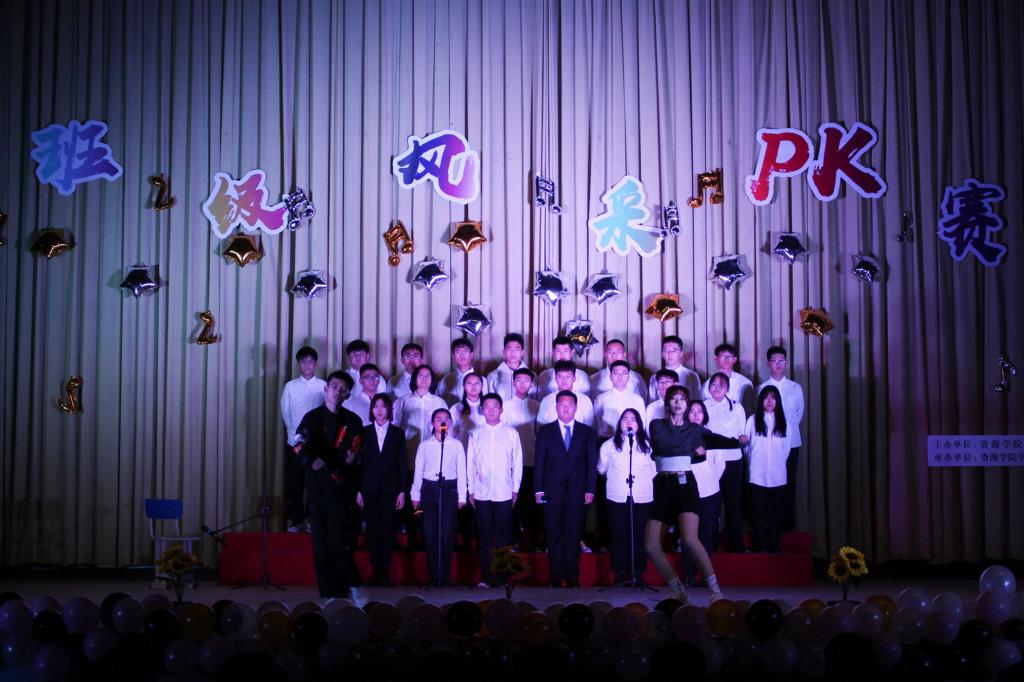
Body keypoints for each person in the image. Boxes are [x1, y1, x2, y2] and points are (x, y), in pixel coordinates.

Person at [646, 386, 742, 604]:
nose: (678, 402)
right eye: (674, 398)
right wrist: (693, 450)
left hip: (685, 484)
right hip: (663, 485)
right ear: (667, 403)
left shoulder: (695, 430)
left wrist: (737, 441)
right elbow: (664, 446)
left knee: (690, 539)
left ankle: (715, 591)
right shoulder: (657, 425)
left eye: (682, 399)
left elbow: (716, 440)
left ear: (687, 404)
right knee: (651, 545)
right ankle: (679, 590)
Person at [294, 371, 368, 606]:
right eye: (335, 386)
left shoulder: (353, 421)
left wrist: (351, 457)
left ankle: (353, 585)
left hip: (341, 488)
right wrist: (310, 459)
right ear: (326, 389)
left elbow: (355, 450)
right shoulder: (312, 418)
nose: (338, 392)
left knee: (338, 540)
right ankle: (330, 594)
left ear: (347, 395)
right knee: (320, 544)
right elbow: (298, 444)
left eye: (343, 389)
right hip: (317, 487)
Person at [534, 391, 598, 588]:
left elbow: (591, 463)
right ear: (556, 407)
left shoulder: (586, 432)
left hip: (577, 491)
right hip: (551, 491)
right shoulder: (546, 431)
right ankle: (555, 577)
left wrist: (590, 489)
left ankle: (572, 577)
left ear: (576, 408)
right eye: (562, 404)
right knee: (553, 535)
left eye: (570, 405)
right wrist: (538, 489)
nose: (566, 408)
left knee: (573, 535)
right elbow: (539, 463)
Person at [468, 393, 523, 587]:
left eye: (495, 407)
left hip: (504, 492)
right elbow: (471, 463)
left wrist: (515, 489)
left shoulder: (511, 433)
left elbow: (517, 463)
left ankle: (502, 578)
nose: (491, 410)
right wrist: (471, 490)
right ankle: (486, 576)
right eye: (487, 407)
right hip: (481, 492)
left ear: (501, 410)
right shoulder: (475, 433)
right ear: (482, 410)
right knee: (484, 537)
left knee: (503, 538)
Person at [597, 408, 657, 583]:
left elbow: (654, 469)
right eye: (625, 419)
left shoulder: (647, 445)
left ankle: (638, 572)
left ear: (639, 424)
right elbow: (601, 468)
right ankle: (620, 572)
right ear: (620, 423)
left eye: (633, 419)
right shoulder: (609, 445)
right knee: (619, 534)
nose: (629, 422)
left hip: (642, 495)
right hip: (617, 495)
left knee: (640, 534)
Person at [410, 409, 467, 587]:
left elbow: (462, 471)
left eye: (446, 419)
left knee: (447, 533)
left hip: (449, 490)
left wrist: (462, 496)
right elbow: (418, 470)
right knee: (430, 533)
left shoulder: (456, 445)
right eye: (438, 419)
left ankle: (445, 575)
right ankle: (433, 575)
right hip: (428, 490)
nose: (442, 421)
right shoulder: (424, 445)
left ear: (450, 423)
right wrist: (415, 495)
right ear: (432, 423)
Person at [392, 365, 447, 550]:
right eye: (420, 375)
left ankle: (425, 535)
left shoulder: (439, 402)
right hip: (408, 459)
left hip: (431, 461)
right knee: (411, 499)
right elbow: (395, 429)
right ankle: (411, 534)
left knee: (427, 500)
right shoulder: (402, 401)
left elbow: (445, 430)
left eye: (428, 375)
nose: (424, 379)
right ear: (414, 379)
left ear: (432, 380)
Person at [356, 394, 408, 586]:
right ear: (371, 410)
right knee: (372, 531)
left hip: (391, 489)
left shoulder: (397, 433)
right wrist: (358, 490)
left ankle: (384, 572)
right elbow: (358, 464)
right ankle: (375, 572)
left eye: (383, 406)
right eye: (375, 406)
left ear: (389, 410)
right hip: (368, 488)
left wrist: (402, 491)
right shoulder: (364, 432)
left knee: (387, 530)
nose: (379, 410)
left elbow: (402, 464)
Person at [756, 346, 805, 531]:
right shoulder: (761, 388)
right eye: (774, 361)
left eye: (781, 361)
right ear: (768, 363)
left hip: (791, 443)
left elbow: (798, 414)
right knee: (767, 482)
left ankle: (788, 523)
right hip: (767, 445)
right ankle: (769, 521)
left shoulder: (795, 388)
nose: (778, 364)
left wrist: (786, 434)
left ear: (786, 363)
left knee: (789, 482)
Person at [280, 346, 326, 533]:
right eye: (303, 362)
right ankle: (296, 520)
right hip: (294, 442)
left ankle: (312, 520)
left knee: (315, 483)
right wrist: (295, 437)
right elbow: (285, 412)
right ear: (298, 364)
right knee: (295, 483)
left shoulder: (323, 385)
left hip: (317, 444)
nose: (307, 365)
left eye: (310, 361)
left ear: (315, 364)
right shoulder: (290, 386)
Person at [704, 372, 749, 552]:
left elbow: (742, 434)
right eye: (713, 384)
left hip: (732, 460)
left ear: (727, 389)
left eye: (721, 385)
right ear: (708, 388)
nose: (716, 388)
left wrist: (742, 441)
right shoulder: (703, 406)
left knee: (733, 503)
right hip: (710, 460)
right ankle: (711, 543)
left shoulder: (737, 407)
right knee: (711, 502)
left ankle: (736, 543)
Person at [744, 386, 791, 552]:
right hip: (757, 474)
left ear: (778, 401)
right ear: (761, 400)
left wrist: (776, 464)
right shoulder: (752, 420)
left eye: (773, 397)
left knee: (776, 512)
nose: (769, 401)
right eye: (766, 397)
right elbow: (747, 447)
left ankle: (774, 544)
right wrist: (755, 464)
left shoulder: (784, 422)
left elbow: (786, 449)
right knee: (759, 512)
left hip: (778, 475)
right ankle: (761, 545)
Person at [501, 368, 541, 549]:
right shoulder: (505, 405)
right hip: (510, 464)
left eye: (526, 380)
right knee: (513, 503)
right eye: (519, 380)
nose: (522, 384)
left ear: (531, 384)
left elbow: (540, 434)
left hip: (532, 461)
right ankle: (513, 541)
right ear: (513, 383)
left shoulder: (537, 406)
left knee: (533, 504)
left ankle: (534, 541)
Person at [684, 401, 729, 559]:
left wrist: (709, 480)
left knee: (707, 533)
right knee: (688, 535)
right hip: (687, 492)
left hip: (710, 491)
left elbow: (720, 465)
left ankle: (705, 570)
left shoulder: (712, 436)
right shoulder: (680, 436)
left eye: (700, 411)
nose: (696, 415)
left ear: (704, 415)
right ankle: (688, 570)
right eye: (692, 411)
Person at [593, 360, 648, 439]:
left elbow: (642, 424)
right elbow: (597, 424)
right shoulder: (601, 399)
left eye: (624, 373)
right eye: (616, 373)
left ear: (628, 377)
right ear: (610, 377)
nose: (620, 376)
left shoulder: (638, 400)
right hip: (606, 439)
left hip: (631, 439)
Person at [701, 343, 753, 415]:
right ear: (716, 358)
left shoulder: (745, 383)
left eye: (730, 356)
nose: (727, 359)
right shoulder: (707, 385)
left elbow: (749, 410)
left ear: (735, 359)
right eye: (723, 356)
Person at [537, 360, 594, 426]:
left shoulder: (585, 400)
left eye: (568, 377)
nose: (564, 381)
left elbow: (588, 427)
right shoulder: (546, 400)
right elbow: (541, 426)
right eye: (560, 377)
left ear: (574, 378)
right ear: (555, 378)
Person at [648, 335, 702, 402]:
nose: (670, 354)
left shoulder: (692, 376)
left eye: (674, 351)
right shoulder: (654, 377)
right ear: (662, 354)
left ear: (681, 353)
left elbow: (697, 400)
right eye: (666, 350)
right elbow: (652, 401)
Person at [438, 338, 489, 405]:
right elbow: (439, 403)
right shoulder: (445, 380)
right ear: (453, 356)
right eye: (458, 352)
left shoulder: (483, 381)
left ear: (471, 355)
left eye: (465, 351)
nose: (462, 355)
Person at [486, 333, 531, 400]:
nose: (513, 353)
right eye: (510, 349)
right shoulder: (493, 376)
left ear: (522, 353)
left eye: (517, 349)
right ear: (504, 351)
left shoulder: (531, 376)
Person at [450, 372, 487, 444]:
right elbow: (450, 432)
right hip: (463, 446)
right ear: (464, 386)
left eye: (477, 383)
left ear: (482, 386)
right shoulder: (456, 408)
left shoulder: (487, 407)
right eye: (469, 383)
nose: (473, 386)